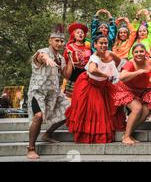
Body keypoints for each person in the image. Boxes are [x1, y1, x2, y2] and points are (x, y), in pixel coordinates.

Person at [65, 33, 126, 144]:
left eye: (105, 43)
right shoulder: (94, 57)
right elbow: (92, 70)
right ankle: (89, 135)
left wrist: (113, 70)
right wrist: (107, 74)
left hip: (104, 86)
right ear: (95, 45)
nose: (103, 45)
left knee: (116, 103)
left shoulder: (111, 54)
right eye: (101, 43)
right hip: (90, 85)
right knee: (95, 110)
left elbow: (119, 61)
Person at [26, 25, 72, 160]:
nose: (59, 43)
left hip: (54, 93)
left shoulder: (61, 58)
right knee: (38, 116)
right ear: (50, 41)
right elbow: (41, 56)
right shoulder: (43, 51)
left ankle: (47, 134)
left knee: (70, 110)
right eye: (56, 40)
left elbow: (67, 75)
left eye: (61, 41)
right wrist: (46, 58)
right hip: (38, 92)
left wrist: (69, 59)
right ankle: (31, 148)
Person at [114, 44, 151, 145]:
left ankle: (129, 133)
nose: (139, 54)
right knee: (137, 108)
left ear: (146, 53)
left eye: (141, 51)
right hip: (125, 89)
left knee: (146, 111)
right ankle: (126, 137)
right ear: (132, 54)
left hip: (140, 91)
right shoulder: (130, 63)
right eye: (136, 52)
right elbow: (122, 77)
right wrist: (137, 72)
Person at [63, 23, 91, 98]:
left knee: (85, 97)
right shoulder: (69, 47)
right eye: (78, 32)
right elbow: (65, 62)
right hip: (74, 74)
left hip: (87, 74)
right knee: (72, 97)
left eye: (82, 32)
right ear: (74, 35)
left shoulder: (88, 47)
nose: (80, 34)